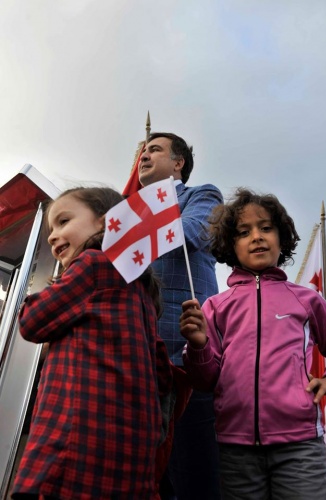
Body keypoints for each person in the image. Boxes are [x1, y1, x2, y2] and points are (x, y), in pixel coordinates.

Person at [11, 186, 172, 500]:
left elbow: (32, 322)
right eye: (51, 228)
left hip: (72, 446)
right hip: (130, 458)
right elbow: (162, 376)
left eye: (63, 221)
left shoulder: (95, 265)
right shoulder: (143, 296)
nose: (52, 236)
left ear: (106, 223)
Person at [180, 187, 326, 500]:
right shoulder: (215, 306)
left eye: (265, 228)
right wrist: (197, 346)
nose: (257, 237)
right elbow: (205, 380)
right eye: (244, 231)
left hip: (300, 445)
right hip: (235, 450)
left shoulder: (306, 299)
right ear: (230, 244)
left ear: (282, 237)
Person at [139, 132, 223, 499]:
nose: (144, 155)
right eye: (143, 150)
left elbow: (190, 232)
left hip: (188, 358)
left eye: (154, 150)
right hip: (139, 361)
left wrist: (124, 233)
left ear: (178, 164)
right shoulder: (130, 213)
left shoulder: (202, 196)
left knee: (194, 479)